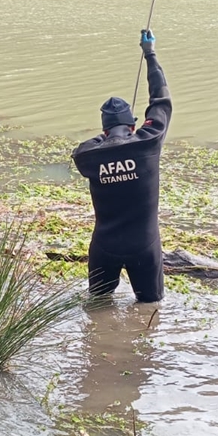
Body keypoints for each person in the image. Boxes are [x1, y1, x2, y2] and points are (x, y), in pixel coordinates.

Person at [72, 28, 172, 301]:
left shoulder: (89, 155)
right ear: (133, 124)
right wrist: (149, 54)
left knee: (98, 306)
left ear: (104, 131)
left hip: (105, 246)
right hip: (145, 245)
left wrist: (109, 139)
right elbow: (161, 101)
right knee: (150, 308)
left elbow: (80, 150)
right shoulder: (147, 142)